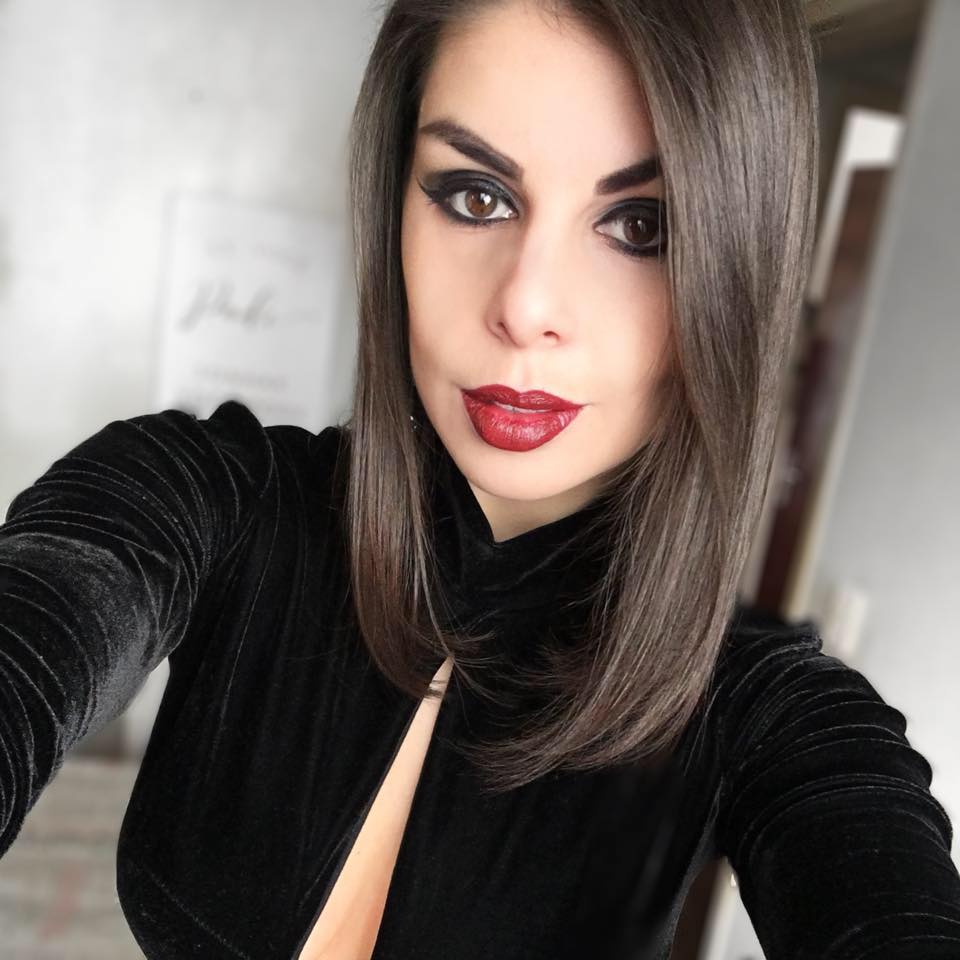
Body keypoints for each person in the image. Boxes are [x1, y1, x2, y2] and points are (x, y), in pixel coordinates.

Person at [1, 0, 959, 957]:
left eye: (640, 225)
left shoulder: (763, 707)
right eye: (475, 196)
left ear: (735, 277)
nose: (526, 305)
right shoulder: (211, 495)